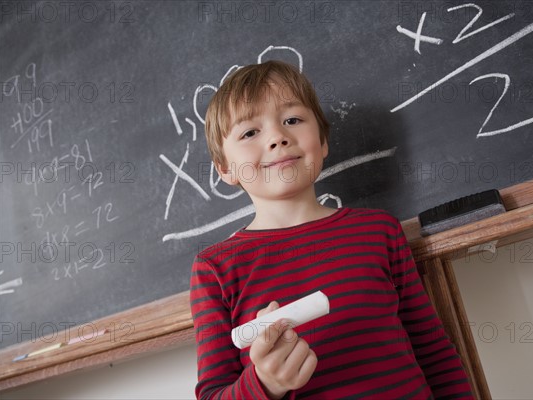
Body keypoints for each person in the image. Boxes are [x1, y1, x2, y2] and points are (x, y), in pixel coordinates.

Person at [190, 60, 473, 399]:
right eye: (250, 132)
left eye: (292, 120)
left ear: (322, 141)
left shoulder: (379, 232)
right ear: (225, 168)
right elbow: (213, 393)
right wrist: (266, 384)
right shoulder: (215, 269)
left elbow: (433, 353)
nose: (278, 137)